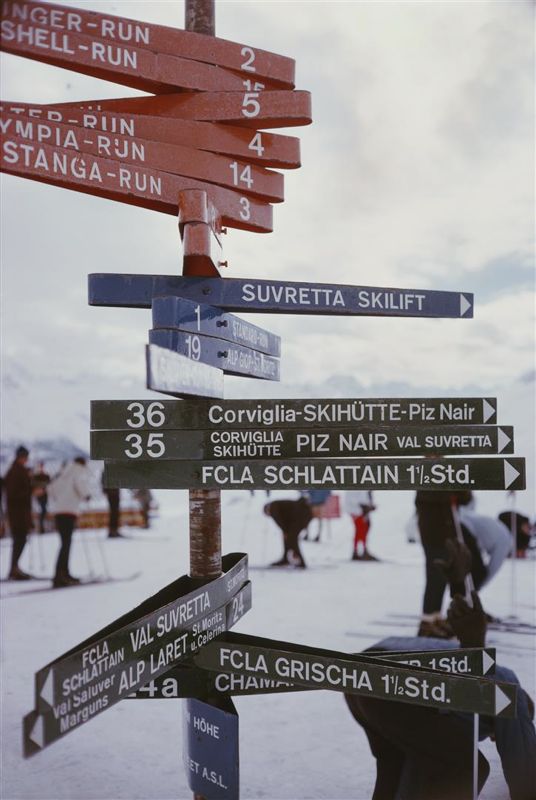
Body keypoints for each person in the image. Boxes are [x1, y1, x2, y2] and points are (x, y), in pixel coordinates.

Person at [345, 591, 536, 800]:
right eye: (495, 735)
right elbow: (522, 765)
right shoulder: (510, 696)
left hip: (360, 676)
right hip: (396, 684)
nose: (491, 738)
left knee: (395, 764)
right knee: (468, 767)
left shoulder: (491, 683)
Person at [414, 489, 486, 637]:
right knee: (435, 576)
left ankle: (437, 618)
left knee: (445, 576)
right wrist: (453, 490)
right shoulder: (425, 478)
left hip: (448, 532)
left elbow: (465, 499)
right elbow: (430, 495)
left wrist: (461, 489)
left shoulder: (449, 476)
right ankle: (427, 621)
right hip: (433, 533)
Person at [48, 457, 92, 587]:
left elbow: (51, 488)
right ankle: (60, 576)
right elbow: (81, 485)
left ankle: (63, 573)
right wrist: (87, 495)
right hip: (69, 511)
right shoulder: (78, 471)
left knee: (64, 543)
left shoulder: (63, 472)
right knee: (66, 544)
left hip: (59, 512)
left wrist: (59, 500)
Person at [458, 505, 512, 586]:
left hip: (460, 518)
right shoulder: (505, 544)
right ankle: (463, 594)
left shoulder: (501, 530)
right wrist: (478, 588)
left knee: (473, 569)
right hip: (464, 527)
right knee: (479, 573)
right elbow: (492, 569)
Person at [4, 445, 33, 580]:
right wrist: (31, 491)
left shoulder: (17, 470)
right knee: (19, 539)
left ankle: (14, 568)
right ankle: (14, 568)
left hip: (19, 512)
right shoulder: (16, 471)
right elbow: (14, 493)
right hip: (18, 513)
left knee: (20, 540)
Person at [264, 497, 312, 568]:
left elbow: (279, 520)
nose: (270, 516)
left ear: (267, 509)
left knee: (291, 539)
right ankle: (285, 559)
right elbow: (286, 519)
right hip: (301, 516)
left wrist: (285, 531)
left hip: (299, 517)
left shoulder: (273, 507)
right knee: (289, 538)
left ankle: (301, 562)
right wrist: (285, 532)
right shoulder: (278, 505)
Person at [345, 490, 377, 561]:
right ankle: (360, 551)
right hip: (357, 510)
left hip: (361, 510)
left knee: (364, 529)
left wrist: (369, 505)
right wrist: (365, 505)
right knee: (360, 530)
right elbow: (356, 499)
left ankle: (360, 551)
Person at [32, 461, 51, 534]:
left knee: (44, 510)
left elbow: (49, 484)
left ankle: (42, 527)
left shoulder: (46, 476)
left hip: (45, 495)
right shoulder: (36, 476)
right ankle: (41, 527)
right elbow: (34, 485)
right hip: (39, 495)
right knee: (42, 510)